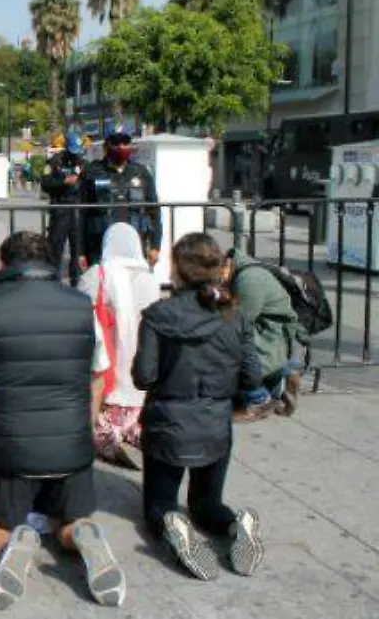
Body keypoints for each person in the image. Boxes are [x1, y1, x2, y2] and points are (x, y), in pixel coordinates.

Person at [0, 231, 126, 610]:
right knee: (66, 519)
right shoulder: (81, 305)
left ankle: (11, 545)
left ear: (3, 263)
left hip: (8, 451)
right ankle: (83, 535)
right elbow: (99, 375)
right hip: (70, 449)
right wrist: (84, 426)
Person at [132, 233, 265, 582]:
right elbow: (253, 376)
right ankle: (237, 524)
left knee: (157, 508)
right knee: (207, 507)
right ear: (218, 269)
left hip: (167, 424)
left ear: (177, 269)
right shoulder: (234, 316)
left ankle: (172, 522)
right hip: (216, 424)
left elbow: (144, 377)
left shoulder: (159, 315)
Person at [77, 223, 160, 470]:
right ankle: (131, 427)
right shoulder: (148, 280)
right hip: (139, 361)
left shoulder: (96, 275)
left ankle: (106, 430)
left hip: (105, 356)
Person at [221, 248, 302, 422]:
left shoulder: (249, 280)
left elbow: (238, 322)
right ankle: (280, 380)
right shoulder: (243, 274)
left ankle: (257, 398)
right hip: (271, 334)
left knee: (228, 341)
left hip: (273, 337)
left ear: (228, 265)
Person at [79, 132, 161, 270]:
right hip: (99, 245)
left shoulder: (140, 173)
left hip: (135, 244)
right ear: (106, 147)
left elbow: (154, 210)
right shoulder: (91, 172)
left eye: (125, 143)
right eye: (116, 144)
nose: (121, 147)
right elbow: (79, 213)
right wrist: (79, 252)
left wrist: (155, 246)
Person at [42, 133, 87, 286]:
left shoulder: (83, 163)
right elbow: (45, 184)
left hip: (77, 209)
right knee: (55, 248)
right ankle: (53, 283)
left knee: (78, 250)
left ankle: (77, 283)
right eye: (72, 151)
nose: (75, 155)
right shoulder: (54, 162)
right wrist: (63, 181)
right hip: (60, 208)